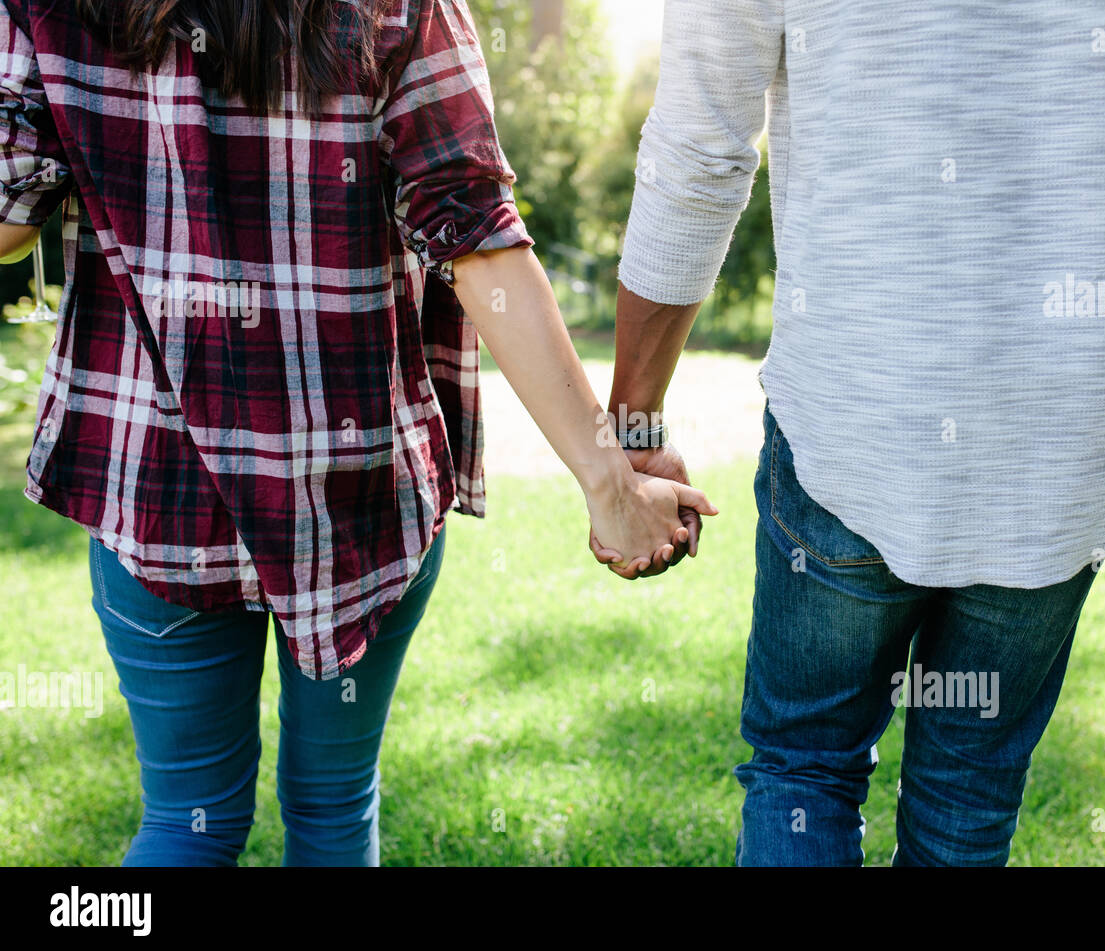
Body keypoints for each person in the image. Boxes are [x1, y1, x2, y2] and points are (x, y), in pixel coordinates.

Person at [0, 0, 713, 866]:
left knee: (186, 820)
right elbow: (476, 238)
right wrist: (610, 482)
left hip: (155, 487)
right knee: (334, 810)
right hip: (361, 490)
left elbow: (10, 222)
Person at [604, 0, 1105, 865]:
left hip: (856, 411)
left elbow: (699, 149)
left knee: (803, 770)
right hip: (1064, 432)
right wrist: (1102, 159)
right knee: (967, 794)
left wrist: (634, 425)